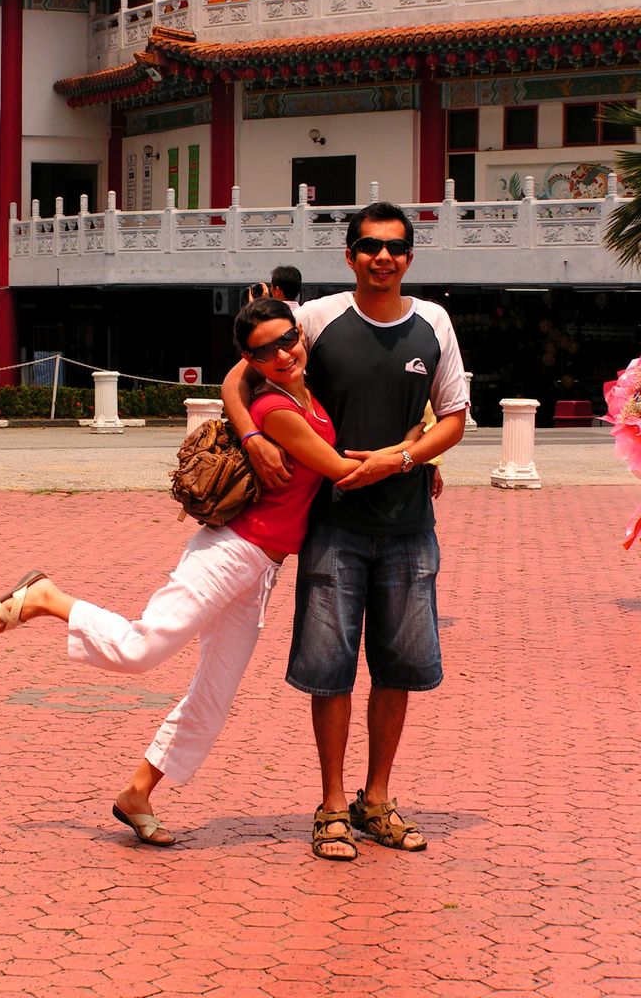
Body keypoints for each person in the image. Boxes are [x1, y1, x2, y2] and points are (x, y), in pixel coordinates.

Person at [0, 298, 423, 851]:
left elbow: (287, 404)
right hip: (228, 552)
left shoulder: (307, 393)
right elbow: (340, 470)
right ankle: (48, 597)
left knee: (214, 696)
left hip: (260, 568)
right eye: (265, 350)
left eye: (288, 340)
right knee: (143, 649)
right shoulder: (275, 410)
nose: (283, 353)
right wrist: (415, 453)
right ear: (249, 359)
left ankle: (138, 794)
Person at [222, 202, 469, 860]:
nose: (381, 257)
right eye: (368, 246)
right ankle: (332, 805)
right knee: (330, 671)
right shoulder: (316, 319)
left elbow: (452, 417)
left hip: (409, 525)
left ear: (410, 257)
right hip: (333, 527)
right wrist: (251, 437)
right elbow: (236, 377)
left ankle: (376, 800)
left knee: (399, 669)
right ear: (350, 255)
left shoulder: (434, 323)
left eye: (393, 247)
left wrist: (405, 458)